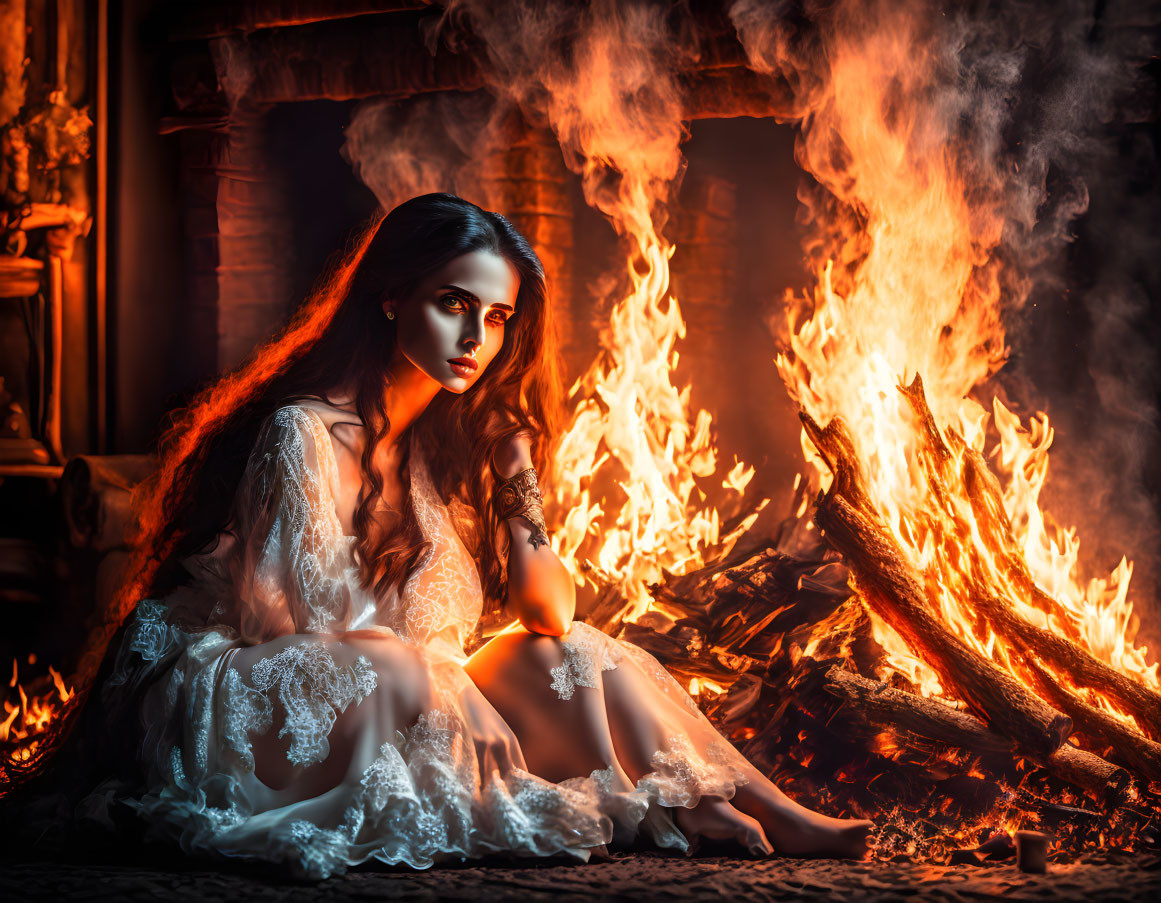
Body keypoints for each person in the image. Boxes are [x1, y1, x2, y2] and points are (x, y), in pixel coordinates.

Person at [99, 193, 872, 878]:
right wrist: (444, 687)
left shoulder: (436, 452)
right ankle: (673, 807)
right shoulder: (300, 431)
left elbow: (548, 611)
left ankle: (745, 801)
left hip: (401, 687)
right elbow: (305, 636)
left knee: (569, 651)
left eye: (496, 317)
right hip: (268, 699)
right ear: (393, 297)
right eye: (453, 303)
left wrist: (514, 471)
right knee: (405, 676)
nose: (476, 335)